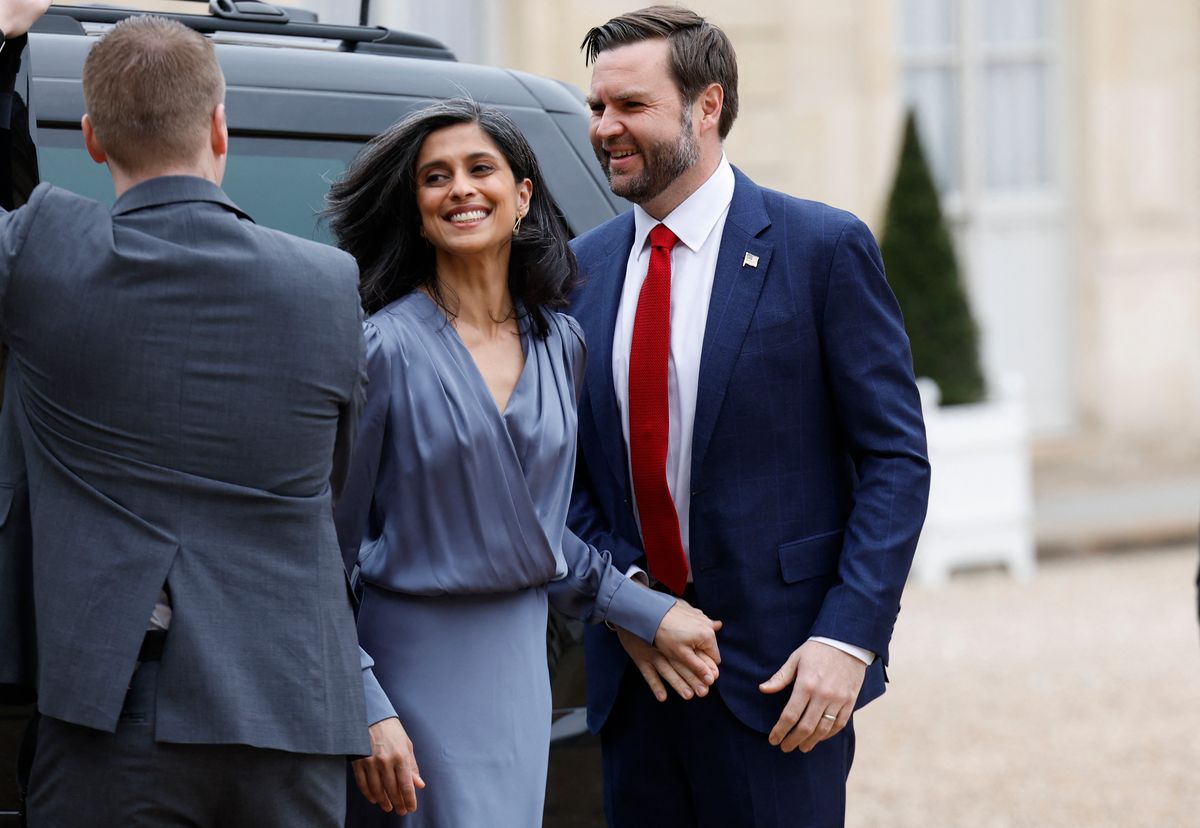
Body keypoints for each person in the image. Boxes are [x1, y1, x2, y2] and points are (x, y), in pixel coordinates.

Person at [0, 8, 377, 826]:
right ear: (219, 125)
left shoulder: (44, 254)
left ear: (93, 138)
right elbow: (334, 486)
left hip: (117, 714)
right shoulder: (328, 283)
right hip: (292, 708)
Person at [568, 7, 931, 826]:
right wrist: (627, 599)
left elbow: (895, 463)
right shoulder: (577, 271)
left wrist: (847, 640)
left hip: (783, 683)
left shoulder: (821, 249)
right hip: (637, 682)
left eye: (631, 106)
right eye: (597, 108)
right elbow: (563, 470)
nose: (606, 128)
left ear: (707, 105)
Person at [325, 98, 722, 827]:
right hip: (409, 665)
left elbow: (537, 532)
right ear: (417, 211)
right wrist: (364, 706)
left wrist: (647, 609)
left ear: (523, 196)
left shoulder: (559, 343)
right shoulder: (379, 349)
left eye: (482, 169)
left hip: (517, 667)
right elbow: (322, 547)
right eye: (435, 178)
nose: (462, 189)